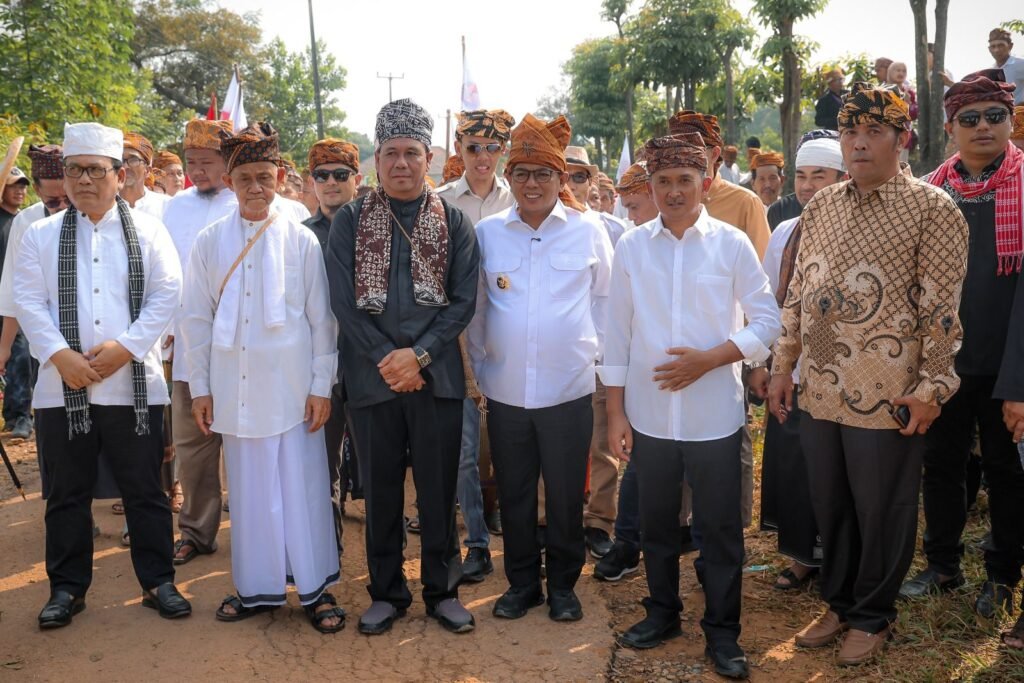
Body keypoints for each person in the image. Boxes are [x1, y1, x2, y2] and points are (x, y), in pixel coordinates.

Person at [768, 83, 968, 666]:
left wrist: (932, 388)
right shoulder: (822, 206)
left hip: (888, 392)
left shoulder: (933, 209)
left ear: (901, 139)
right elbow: (799, 294)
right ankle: (839, 601)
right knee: (830, 503)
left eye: (873, 132)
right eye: (850, 132)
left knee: (881, 508)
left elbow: (942, 310)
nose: (858, 143)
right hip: (821, 388)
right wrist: (783, 366)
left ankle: (873, 614)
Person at [604, 133, 780, 681]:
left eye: (685, 180)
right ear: (651, 186)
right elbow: (616, 334)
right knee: (657, 525)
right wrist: (616, 414)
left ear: (705, 183)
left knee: (720, 530)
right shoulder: (632, 247)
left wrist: (711, 359)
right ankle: (662, 613)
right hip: (649, 416)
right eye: (664, 181)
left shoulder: (731, 244)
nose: (675, 191)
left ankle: (723, 632)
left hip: (715, 417)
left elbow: (767, 320)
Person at [16, 122, 190, 629]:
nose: (84, 180)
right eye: (75, 170)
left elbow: (167, 292)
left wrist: (126, 348)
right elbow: (27, 300)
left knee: (145, 490)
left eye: (95, 170)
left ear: (120, 174)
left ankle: (158, 582)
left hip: (132, 386)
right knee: (65, 494)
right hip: (62, 387)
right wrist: (59, 355)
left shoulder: (150, 231)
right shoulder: (40, 235)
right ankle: (66, 590)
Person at [179, 121, 343, 633]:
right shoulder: (209, 242)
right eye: (245, 178)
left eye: (264, 177)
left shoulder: (302, 241)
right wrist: (201, 390)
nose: (256, 187)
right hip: (237, 390)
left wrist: (320, 387)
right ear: (230, 181)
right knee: (250, 495)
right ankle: (256, 589)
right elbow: (195, 320)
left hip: (294, 392)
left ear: (279, 178)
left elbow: (323, 321)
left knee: (303, 490)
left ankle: (315, 589)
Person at [325, 98, 479, 635]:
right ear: (376, 158)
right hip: (372, 381)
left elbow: (462, 303)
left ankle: (443, 592)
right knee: (382, 492)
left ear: (429, 157)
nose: (401, 163)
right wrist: (386, 359)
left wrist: (420, 356)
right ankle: (387, 593)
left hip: (436, 380)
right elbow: (343, 302)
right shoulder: (350, 221)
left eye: (412, 152)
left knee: (438, 492)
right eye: (391, 152)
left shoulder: (454, 222)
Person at [467, 112, 612, 623]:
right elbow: (477, 309)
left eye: (543, 174)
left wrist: (595, 360)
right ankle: (522, 584)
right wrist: (480, 370)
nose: (532, 184)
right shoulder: (487, 233)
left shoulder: (588, 231)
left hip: (569, 389)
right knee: (515, 492)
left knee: (567, 492)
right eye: (522, 173)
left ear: (561, 177)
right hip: (505, 390)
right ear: (508, 177)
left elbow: (606, 301)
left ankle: (564, 587)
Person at [899, 71, 1024, 621]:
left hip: (1007, 363)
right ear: (950, 128)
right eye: (969, 119)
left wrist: (1020, 380)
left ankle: (1002, 575)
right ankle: (943, 565)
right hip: (942, 363)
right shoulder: (930, 192)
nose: (983, 127)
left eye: (995, 116)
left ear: (1011, 121)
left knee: (1005, 470)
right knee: (941, 464)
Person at [757, 135, 846, 591]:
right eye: (802, 176)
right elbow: (770, 304)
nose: (808, 186)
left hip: (846, 373)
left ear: (842, 177)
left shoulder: (859, 227)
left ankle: (840, 562)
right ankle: (801, 558)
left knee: (836, 470)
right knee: (796, 465)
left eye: (820, 176)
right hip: (793, 369)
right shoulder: (784, 231)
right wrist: (770, 366)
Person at [435, 108, 517, 583]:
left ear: (502, 151)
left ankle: (523, 541)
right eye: (473, 148)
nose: (483, 157)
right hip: (458, 343)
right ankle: (477, 544)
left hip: (512, 339)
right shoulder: (440, 202)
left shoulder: (522, 197)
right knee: (465, 452)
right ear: (458, 150)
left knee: (513, 449)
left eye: (491, 148)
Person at [163, 118, 237, 566]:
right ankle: (195, 531)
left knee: (245, 447)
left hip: (242, 350)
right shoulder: (175, 208)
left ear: (228, 161)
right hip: (188, 347)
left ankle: (254, 534)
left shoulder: (247, 202)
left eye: (206, 162)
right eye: (191, 162)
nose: (197, 171)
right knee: (192, 448)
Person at [593, 159, 661, 584]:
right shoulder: (632, 246)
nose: (630, 217)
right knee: (637, 463)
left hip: (700, 380)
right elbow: (617, 323)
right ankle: (629, 543)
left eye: (635, 206)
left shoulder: (720, 242)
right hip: (640, 378)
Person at [302, 137, 363, 560]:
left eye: (340, 174)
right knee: (321, 464)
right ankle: (326, 553)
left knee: (379, 465)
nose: (330, 182)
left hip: (369, 363)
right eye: (321, 175)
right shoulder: (300, 237)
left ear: (356, 179)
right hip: (318, 368)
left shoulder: (376, 230)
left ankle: (387, 562)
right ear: (311, 182)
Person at [0, 145, 70, 437]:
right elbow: (12, 288)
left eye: (67, 199)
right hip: (44, 339)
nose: (62, 207)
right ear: (38, 191)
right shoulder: (26, 222)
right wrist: (3, 347)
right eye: (53, 202)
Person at [767, 130, 841, 230]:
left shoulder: (859, 223)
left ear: (843, 180)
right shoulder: (783, 225)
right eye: (801, 177)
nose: (806, 186)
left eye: (818, 177)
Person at [121, 132, 169, 220]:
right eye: (121, 160)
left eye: (133, 160)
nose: (125, 166)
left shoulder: (165, 206)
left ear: (147, 171)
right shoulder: (103, 206)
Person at [989, 28, 1024, 105]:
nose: (996, 50)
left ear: (1010, 46)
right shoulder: (991, 72)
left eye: (1001, 45)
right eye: (993, 46)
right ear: (989, 49)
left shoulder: (1020, 64)